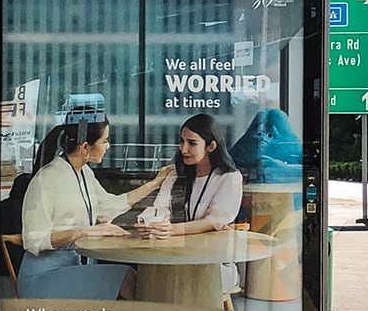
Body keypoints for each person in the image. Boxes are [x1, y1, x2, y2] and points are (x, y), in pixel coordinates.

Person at [16, 114, 172, 299]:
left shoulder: (84, 173)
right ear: (84, 147)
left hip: (71, 269)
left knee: (133, 277)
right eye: (105, 141)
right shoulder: (46, 179)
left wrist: (155, 183)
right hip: (43, 278)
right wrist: (84, 231)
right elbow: (33, 239)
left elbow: (109, 206)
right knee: (128, 279)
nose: (108, 146)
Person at [138, 113, 246, 294]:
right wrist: (151, 224)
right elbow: (160, 208)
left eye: (192, 143)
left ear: (211, 146)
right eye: (181, 141)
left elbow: (214, 221)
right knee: (151, 278)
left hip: (215, 263)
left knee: (169, 282)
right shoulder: (176, 173)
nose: (183, 149)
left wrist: (171, 230)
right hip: (175, 257)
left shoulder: (229, 178)